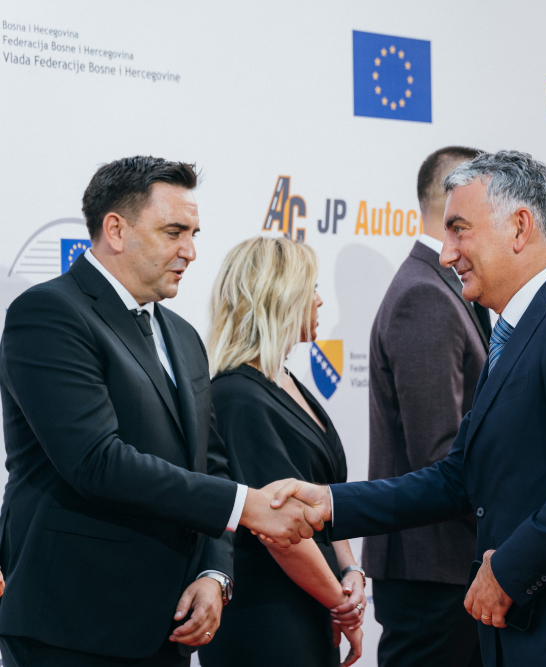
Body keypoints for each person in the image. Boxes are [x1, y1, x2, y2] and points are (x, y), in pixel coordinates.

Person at [265, 150, 546, 667]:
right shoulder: (521, 330)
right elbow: (459, 476)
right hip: (539, 631)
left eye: (459, 230)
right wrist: (331, 504)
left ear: (519, 227)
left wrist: (508, 572)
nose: (447, 253)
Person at [0, 156, 322, 667]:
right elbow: (96, 461)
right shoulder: (49, 314)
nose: (190, 251)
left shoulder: (183, 335)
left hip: (168, 627)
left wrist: (214, 573)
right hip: (72, 624)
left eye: (193, 234)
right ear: (116, 230)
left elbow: (210, 465)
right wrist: (246, 506)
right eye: (174, 232)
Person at [198, 237, 363, 666]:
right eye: (311, 288)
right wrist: (341, 603)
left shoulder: (284, 380)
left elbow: (325, 496)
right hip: (269, 615)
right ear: (279, 297)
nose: (320, 300)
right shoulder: (237, 396)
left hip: (313, 599)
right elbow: (280, 532)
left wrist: (350, 572)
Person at [365, 146, 487, 667]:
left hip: (444, 565)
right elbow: (438, 454)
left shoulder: (443, 287)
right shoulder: (426, 295)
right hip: (433, 568)